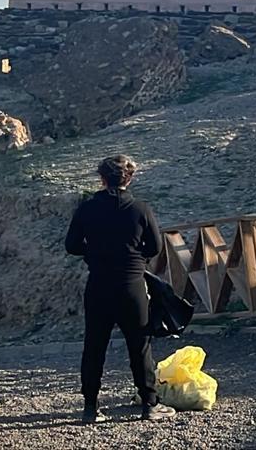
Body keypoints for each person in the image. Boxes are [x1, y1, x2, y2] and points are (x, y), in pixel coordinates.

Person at [65, 155, 176, 424]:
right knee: (140, 346)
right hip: (132, 285)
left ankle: (90, 408)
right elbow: (155, 247)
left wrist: (94, 251)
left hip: (99, 285)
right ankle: (149, 404)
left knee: (94, 346)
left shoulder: (87, 208)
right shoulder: (140, 209)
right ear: (130, 178)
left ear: (101, 179)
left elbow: (72, 245)